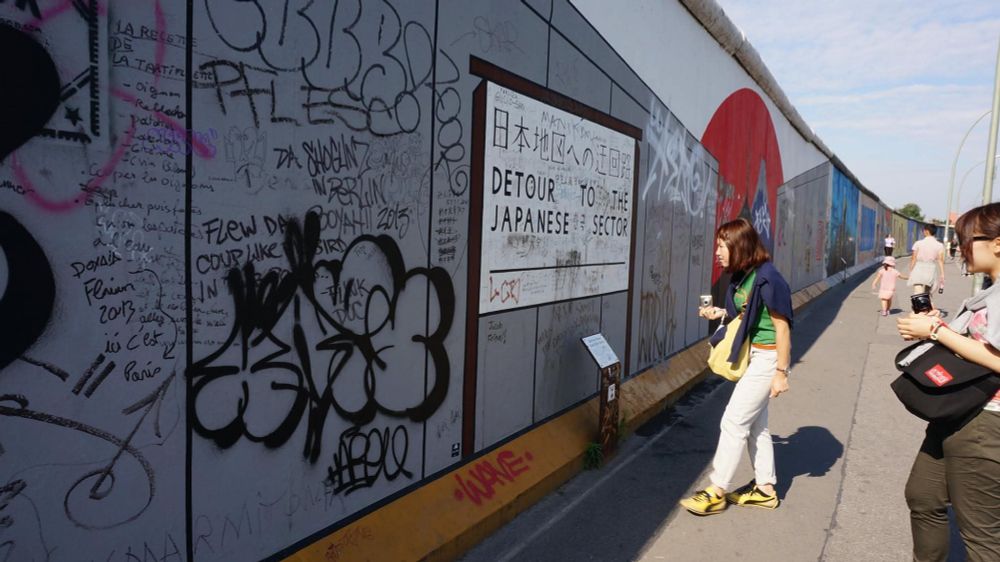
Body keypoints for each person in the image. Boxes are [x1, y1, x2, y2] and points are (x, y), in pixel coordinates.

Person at [897, 202, 1000, 561]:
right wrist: (939, 328)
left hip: (987, 421)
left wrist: (937, 330)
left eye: (966, 240)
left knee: (982, 536)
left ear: (998, 244)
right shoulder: (992, 290)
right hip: (963, 412)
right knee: (923, 495)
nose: (960, 249)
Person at [680, 218, 794, 515]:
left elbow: (782, 328)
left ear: (738, 245)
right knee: (757, 425)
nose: (717, 252)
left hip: (768, 359)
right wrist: (718, 312)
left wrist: (781, 373)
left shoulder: (768, 279)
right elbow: (747, 315)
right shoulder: (746, 275)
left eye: (721, 245)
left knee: (733, 421)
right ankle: (766, 489)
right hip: (754, 355)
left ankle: (717, 490)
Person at [908, 225, 945, 294]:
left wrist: (911, 270)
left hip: (918, 268)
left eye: (923, 230)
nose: (923, 232)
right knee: (928, 293)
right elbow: (940, 260)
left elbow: (913, 258)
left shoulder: (918, 243)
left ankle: (918, 304)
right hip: (931, 269)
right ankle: (926, 303)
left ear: (926, 231)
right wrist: (942, 274)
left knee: (917, 292)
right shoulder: (939, 245)